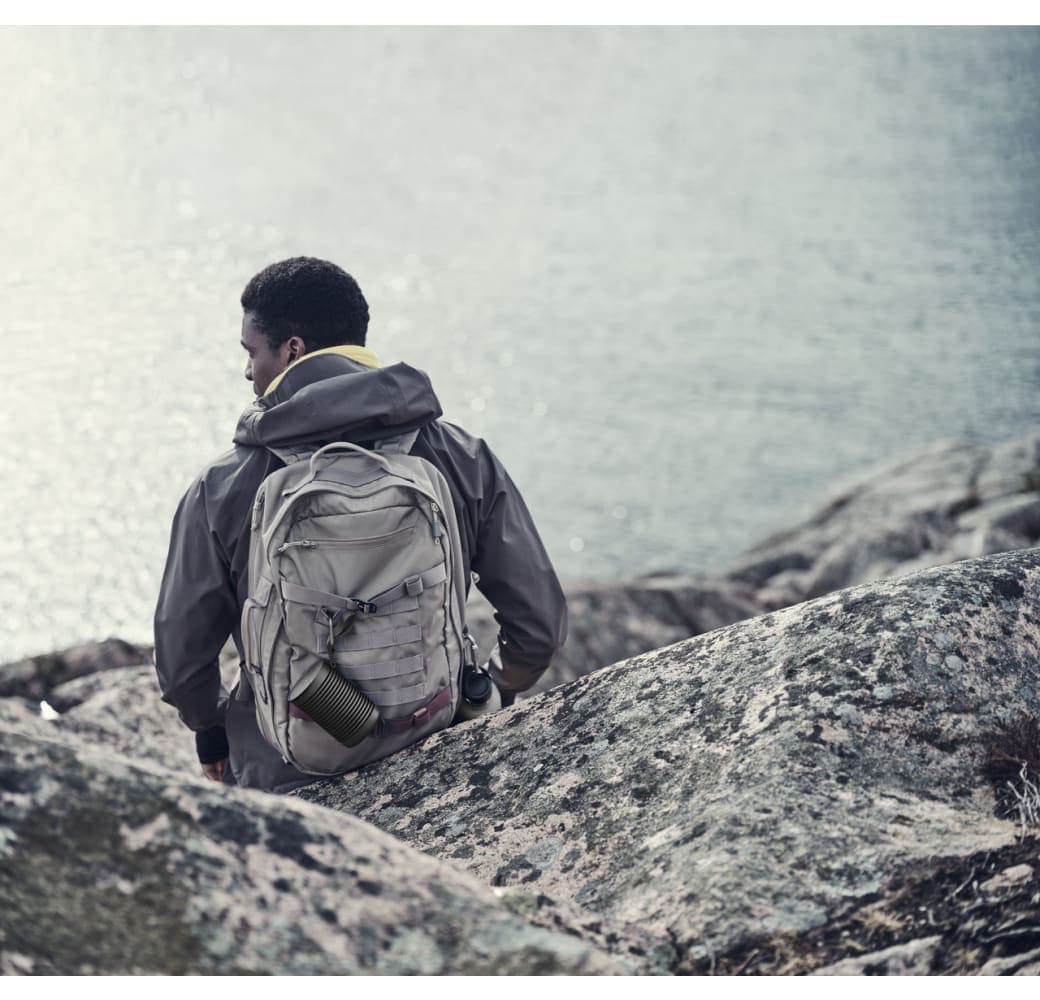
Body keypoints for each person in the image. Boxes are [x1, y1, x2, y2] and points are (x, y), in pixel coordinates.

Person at [153, 257, 568, 793]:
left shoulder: (222, 485)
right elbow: (540, 624)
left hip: (284, 770)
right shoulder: (461, 455)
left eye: (251, 352)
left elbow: (181, 659)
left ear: (292, 351)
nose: (247, 372)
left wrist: (210, 728)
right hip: (437, 735)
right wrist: (492, 687)